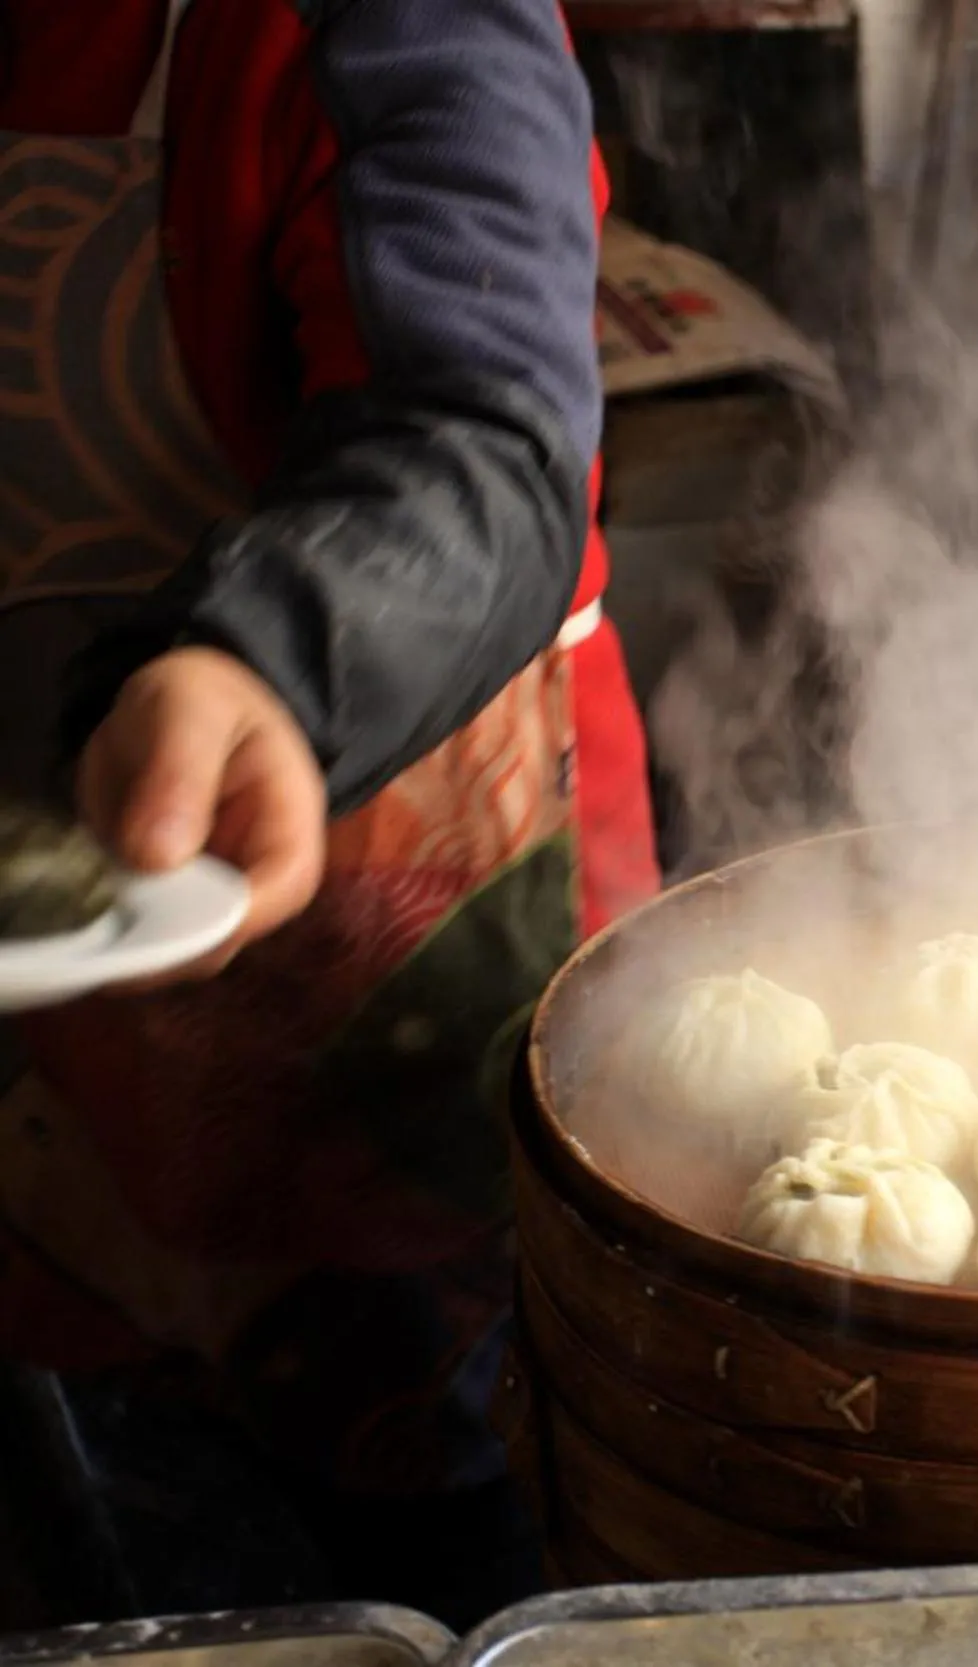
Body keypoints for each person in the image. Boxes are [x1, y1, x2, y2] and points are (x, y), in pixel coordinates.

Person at [0, 0, 660, 1623]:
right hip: (47, 1123)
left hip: (395, 1059)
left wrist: (258, 664)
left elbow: (482, 442)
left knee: (466, 1577)